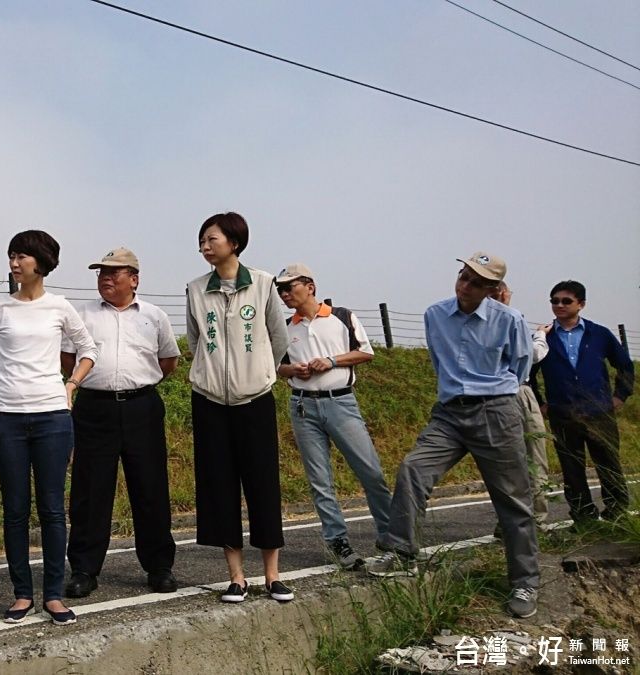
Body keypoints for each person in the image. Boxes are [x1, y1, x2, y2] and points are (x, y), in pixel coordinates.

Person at [367, 252, 540, 620]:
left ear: (492, 289)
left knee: (513, 500)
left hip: (495, 411)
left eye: (476, 282)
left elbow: (520, 366)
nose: (465, 286)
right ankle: (400, 552)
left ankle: (525, 581)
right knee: (413, 469)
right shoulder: (435, 315)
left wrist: (489, 390)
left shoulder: (510, 320)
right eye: (463, 276)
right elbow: (438, 361)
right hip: (448, 413)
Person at [0, 230, 98, 625]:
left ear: (40, 262)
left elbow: (89, 348)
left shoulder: (60, 307)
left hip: (52, 419)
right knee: (15, 510)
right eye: (11, 256)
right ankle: (22, 593)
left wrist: (71, 385)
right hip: (6, 420)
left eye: (21, 256)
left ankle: (54, 595)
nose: (13, 263)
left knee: (52, 509)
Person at [185, 212, 293, 604]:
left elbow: (278, 339)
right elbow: (197, 340)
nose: (204, 246)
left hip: (255, 400)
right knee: (219, 485)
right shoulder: (196, 289)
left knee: (263, 484)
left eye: (211, 239)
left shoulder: (263, 284)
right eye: (202, 241)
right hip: (210, 401)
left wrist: (259, 372)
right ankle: (236, 576)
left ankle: (272, 575)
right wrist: (210, 375)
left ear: (234, 241)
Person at [60, 247, 180, 599]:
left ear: (135, 279)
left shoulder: (154, 316)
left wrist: (139, 383)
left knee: (151, 487)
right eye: (101, 273)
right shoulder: (81, 315)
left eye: (114, 272)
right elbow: (69, 359)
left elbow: (168, 361)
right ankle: (84, 569)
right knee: (90, 490)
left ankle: (159, 567)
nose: (106, 278)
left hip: (141, 407)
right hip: (94, 409)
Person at [274, 263, 392, 570]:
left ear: (310, 286)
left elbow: (365, 352)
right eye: (281, 290)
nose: (285, 294)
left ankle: (391, 537)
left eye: (290, 287)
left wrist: (331, 361)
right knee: (320, 480)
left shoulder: (341, 316)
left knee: (371, 473)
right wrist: (293, 370)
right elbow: (276, 368)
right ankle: (338, 542)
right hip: (303, 406)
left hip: (340, 403)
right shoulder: (286, 327)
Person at [535, 280, 633, 523]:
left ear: (581, 304)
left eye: (566, 301)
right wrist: (540, 403)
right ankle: (583, 517)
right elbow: (527, 371)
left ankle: (618, 514)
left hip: (599, 412)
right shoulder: (543, 337)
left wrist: (620, 395)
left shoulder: (599, 334)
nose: (559, 305)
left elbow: (624, 365)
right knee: (571, 469)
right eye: (554, 301)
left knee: (608, 464)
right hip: (563, 413)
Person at [489, 281, 553, 526]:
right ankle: (535, 520)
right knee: (533, 457)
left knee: (502, 463)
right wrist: (540, 335)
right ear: (505, 294)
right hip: (517, 391)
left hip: (490, 396)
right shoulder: (510, 319)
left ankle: (505, 522)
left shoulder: (473, 321)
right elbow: (532, 354)